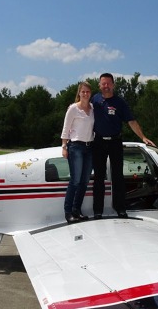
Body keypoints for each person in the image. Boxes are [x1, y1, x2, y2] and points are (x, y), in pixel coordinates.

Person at [91, 73, 155, 219]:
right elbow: (81, 111)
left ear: (113, 84)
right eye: (103, 83)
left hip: (115, 142)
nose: (106, 86)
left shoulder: (120, 102)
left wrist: (143, 137)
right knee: (99, 177)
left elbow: (131, 121)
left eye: (108, 83)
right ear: (99, 85)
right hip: (99, 142)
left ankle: (120, 209)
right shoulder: (94, 99)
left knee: (118, 176)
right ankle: (97, 211)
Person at [60, 81, 95, 223]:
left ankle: (77, 210)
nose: (85, 94)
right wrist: (64, 146)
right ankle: (68, 212)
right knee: (75, 180)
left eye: (88, 92)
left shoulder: (92, 108)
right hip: (76, 147)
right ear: (79, 93)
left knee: (84, 181)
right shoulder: (73, 109)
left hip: (89, 147)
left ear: (90, 93)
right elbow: (65, 128)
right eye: (83, 92)